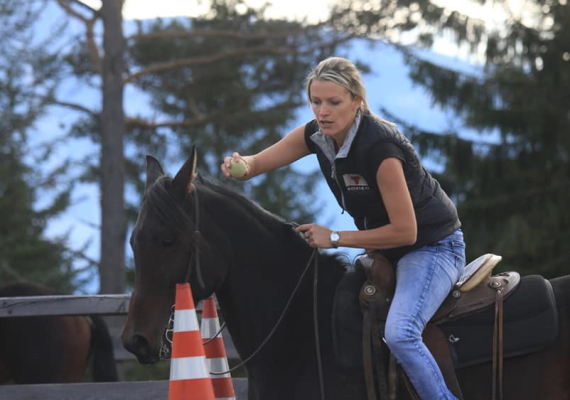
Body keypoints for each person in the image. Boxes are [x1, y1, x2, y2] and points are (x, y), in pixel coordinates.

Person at [221, 56, 465, 400]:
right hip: (385, 251)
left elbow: (406, 231)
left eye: (333, 102)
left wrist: (334, 237)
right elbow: (256, 163)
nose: (323, 112)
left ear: (356, 102)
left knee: (401, 333)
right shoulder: (317, 135)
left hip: (432, 248)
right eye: (316, 101)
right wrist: (242, 165)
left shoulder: (381, 148)